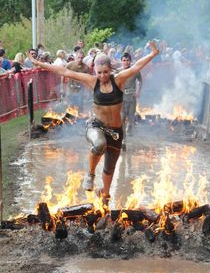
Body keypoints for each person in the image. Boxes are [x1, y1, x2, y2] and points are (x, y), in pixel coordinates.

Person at [29, 41, 159, 206]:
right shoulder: (91, 81)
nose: (103, 76)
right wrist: (38, 63)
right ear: (94, 71)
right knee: (99, 144)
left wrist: (153, 54)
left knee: (110, 168)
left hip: (116, 131)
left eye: (105, 72)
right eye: (99, 73)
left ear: (111, 70)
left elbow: (136, 67)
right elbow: (63, 71)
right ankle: (89, 174)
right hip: (96, 126)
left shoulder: (118, 80)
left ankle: (104, 196)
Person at [120, 52, 142, 151]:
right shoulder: (118, 72)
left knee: (131, 119)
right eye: (124, 60)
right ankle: (123, 140)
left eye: (127, 60)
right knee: (122, 119)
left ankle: (130, 128)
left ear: (130, 61)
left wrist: (138, 91)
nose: (126, 62)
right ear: (121, 61)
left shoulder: (135, 71)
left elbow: (140, 80)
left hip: (132, 98)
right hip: (121, 99)